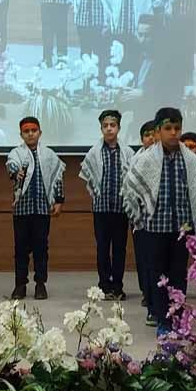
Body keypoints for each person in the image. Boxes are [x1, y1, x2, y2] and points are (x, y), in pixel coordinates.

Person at [122, 107, 196, 334]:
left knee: (178, 274)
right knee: (158, 274)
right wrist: (139, 218)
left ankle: (177, 317)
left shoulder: (190, 159)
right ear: (158, 131)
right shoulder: (146, 159)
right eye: (168, 128)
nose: (173, 133)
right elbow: (131, 189)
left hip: (181, 228)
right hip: (154, 227)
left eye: (177, 128)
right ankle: (162, 320)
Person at [6, 116, 65, 300]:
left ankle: (40, 284)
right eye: (26, 131)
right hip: (22, 210)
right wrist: (16, 173)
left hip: (41, 209)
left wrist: (59, 200)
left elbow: (57, 178)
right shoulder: (16, 153)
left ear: (40, 132)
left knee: (41, 248)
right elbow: (11, 168)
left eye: (34, 130)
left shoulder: (48, 154)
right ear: (21, 134)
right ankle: (20, 285)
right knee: (21, 249)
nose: (30, 134)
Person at [79, 109, 133, 300]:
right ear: (101, 128)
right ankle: (104, 284)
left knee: (119, 249)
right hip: (101, 208)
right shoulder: (94, 152)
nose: (109, 129)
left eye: (113, 125)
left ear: (119, 127)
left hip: (121, 208)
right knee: (102, 248)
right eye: (105, 126)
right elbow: (89, 175)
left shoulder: (127, 152)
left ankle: (117, 285)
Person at [122, 119, 156, 309]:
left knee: (158, 257)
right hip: (140, 218)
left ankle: (160, 291)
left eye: (153, 134)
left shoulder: (164, 158)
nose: (151, 138)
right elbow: (128, 188)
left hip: (160, 218)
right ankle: (146, 291)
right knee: (143, 256)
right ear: (142, 139)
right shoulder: (135, 159)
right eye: (146, 135)